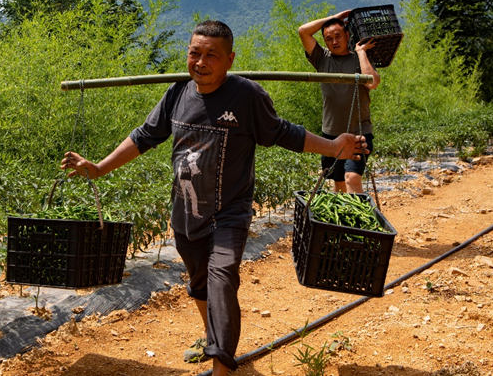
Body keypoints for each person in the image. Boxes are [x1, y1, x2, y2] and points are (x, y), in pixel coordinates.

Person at [62, 20, 368, 375]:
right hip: (186, 212)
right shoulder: (178, 92)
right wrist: (99, 168)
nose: (201, 62)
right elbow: (145, 136)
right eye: (195, 53)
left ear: (229, 60)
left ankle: (222, 365)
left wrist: (333, 146)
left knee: (222, 279)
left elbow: (283, 132)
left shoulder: (246, 96)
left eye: (211, 55)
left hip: (229, 213)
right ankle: (211, 334)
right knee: (200, 282)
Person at [298, 9, 381, 194]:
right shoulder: (322, 59)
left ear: (347, 35)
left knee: (352, 177)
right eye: (329, 38)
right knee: (338, 185)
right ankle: (344, 221)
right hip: (331, 134)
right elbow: (303, 31)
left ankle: (359, 220)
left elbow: (373, 82)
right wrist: (335, 17)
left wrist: (360, 52)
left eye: (338, 36)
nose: (334, 41)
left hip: (359, 132)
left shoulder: (360, 58)